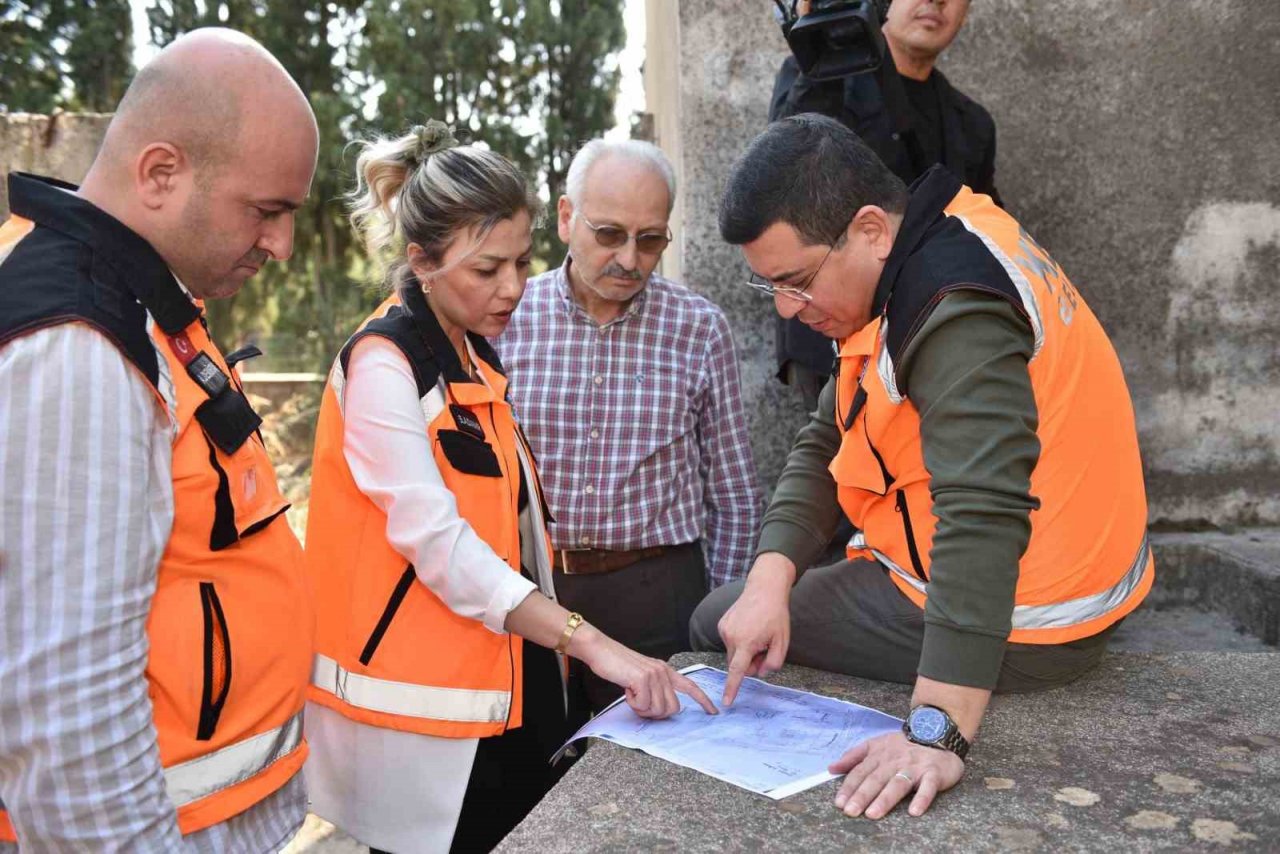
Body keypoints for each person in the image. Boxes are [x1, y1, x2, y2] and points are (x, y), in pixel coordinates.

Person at [692, 114, 1153, 819]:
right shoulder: (926, 246)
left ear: (870, 228)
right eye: (770, 288)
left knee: (710, 623)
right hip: (1011, 574)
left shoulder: (952, 307)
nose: (788, 308)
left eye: (796, 280)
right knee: (748, 609)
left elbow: (984, 512)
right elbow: (827, 438)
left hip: (1028, 617)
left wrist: (938, 729)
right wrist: (770, 576)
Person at [303, 121, 717, 854]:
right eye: (487, 268)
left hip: (508, 685)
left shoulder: (474, 355)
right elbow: (441, 544)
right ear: (420, 261)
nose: (514, 288)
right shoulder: (383, 365)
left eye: (523, 263)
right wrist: (597, 648)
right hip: (424, 723)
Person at [0, 29, 317, 851]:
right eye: (267, 211)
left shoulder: (139, 312)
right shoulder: (77, 348)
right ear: (160, 173)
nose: (281, 245)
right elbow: (71, 724)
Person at [492, 139, 761, 711]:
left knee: (654, 773)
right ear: (567, 219)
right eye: (609, 234)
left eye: (651, 239)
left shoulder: (699, 328)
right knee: (538, 776)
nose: (630, 260)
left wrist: (719, 619)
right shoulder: (505, 318)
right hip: (532, 591)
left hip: (658, 596)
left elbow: (734, 494)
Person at [772, 0, 1000, 413]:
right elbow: (783, 179)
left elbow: (989, 232)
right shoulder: (820, 80)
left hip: (942, 349)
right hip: (837, 349)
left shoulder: (972, 123)